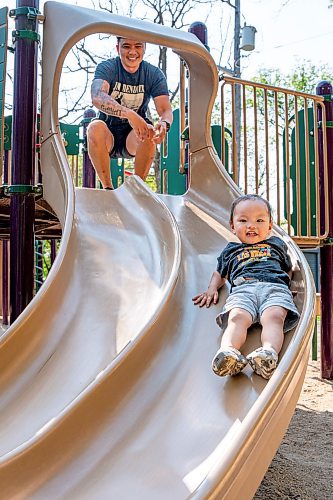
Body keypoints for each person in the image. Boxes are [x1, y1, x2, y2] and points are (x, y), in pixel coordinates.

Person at [192, 194, 300, 380]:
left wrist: (288, 286)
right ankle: (228, 353)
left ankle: (268, 354)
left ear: (269, 225)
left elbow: (288, 268)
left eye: (259, 220)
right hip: (243, 289)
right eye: (243, 220)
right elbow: (220, 273)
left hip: (274, 287)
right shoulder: (231, 249)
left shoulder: (276, 244)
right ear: (233, 226)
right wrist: (212, 288)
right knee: (236, 317)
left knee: (274, 316)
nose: (251, 225)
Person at [87, 37, 173, 189]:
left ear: (144, 48)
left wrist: (164, 124)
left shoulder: (153, 74)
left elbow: (165, 109)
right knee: (94, 127)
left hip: (134, 137)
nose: (132, 52)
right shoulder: (108, 68)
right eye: (126, 46)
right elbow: (97, 96)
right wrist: (130, 115)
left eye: (138, 46)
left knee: (150, 130)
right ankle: (107, 188)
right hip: (108, 136)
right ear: (117, 48)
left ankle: (137, 189)